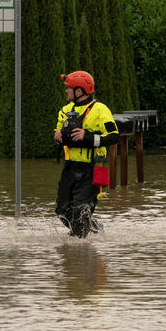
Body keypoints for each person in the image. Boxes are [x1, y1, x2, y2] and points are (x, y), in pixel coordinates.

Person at [53, 71, 118, 237]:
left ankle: (80, 253)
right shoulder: (65, 110)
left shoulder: (100, 110)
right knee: (61, 211)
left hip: (92, 169)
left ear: (80, 91)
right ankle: (92, 227)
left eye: (69, 88)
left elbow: (114, 137)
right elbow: (58, 130)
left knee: (80, 214)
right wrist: (57, 135)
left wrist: (87, 136)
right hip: (70, 168)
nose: (66, 91)